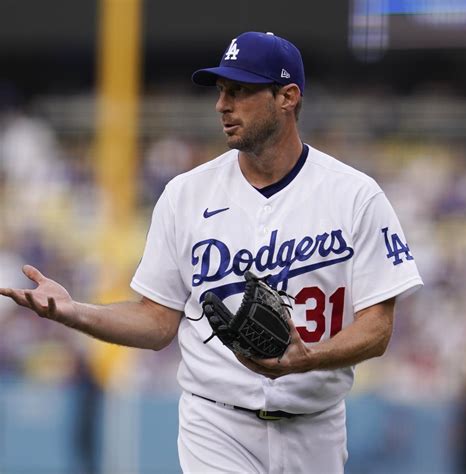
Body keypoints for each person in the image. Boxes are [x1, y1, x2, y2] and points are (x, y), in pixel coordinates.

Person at [0, 31, 423, 473]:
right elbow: (156, 322)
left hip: (316, 426)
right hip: (216, 422)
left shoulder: (355, 196)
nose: (222, 105)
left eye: (239, 91)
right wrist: (74, 312)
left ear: (287, 97)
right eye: (221, 91)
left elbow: (378, 327)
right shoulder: (185, 195)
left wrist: (311, 360)